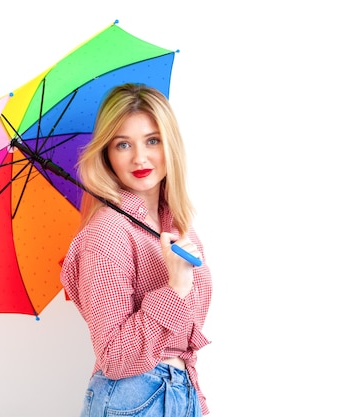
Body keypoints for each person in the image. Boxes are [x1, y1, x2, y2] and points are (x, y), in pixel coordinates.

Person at [60, 83, 213, 417]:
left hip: (180, 393)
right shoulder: (107, 231)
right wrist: (174, 289)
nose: (140, 157)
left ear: (170, 144)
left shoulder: (180, 228)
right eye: (123, 144)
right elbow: (114, 356)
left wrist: (195, 402)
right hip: (133, 397)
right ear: (107, 154)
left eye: (152, 140)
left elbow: (184, 344)